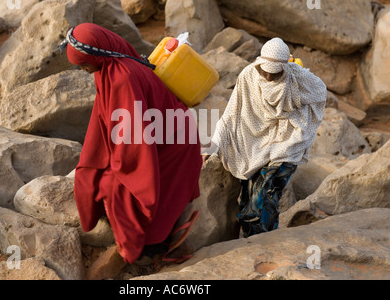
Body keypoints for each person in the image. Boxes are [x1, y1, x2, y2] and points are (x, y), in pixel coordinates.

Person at [61, 23, 202, 274]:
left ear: (96, 55)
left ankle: (150, 253)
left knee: (123, 190)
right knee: (102, 176)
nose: (83, 70)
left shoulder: (122, 77)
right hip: (162, 135)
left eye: (84, 64)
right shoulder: (108, 65)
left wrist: (119, 171)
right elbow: (107, 122)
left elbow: (133, 140)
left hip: (173, 144)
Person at [210, 37, 327, 238]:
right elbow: (231, 114)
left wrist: (300, 119)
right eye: (265, 71)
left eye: (275, 73)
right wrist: (213, 144)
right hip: (254, 146)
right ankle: (254, 242)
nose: (269, 77)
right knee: (247, 201)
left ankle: (263, 243)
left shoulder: (298, 78)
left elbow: (320, 94)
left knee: (262, 200)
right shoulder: (248, 76)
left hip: (286, 144)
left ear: (285, 67)